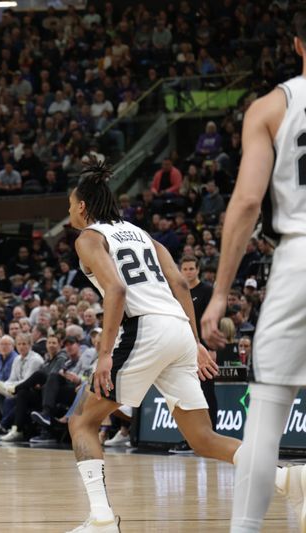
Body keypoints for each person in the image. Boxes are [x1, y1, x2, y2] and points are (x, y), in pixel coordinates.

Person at [64, 160, 299, 533]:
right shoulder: (145, 237)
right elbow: (181, 285)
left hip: (144, 329)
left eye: (70, 205)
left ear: (81, 207)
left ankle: (102, 519)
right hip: (176, 329)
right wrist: (195, 342)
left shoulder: (89, 238)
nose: (69, 212)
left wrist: (106, 353)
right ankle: (287, 479)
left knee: (81, 420)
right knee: (202, 438)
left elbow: (117, 290)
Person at [201, 12, 306, 531]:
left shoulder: (270, 107)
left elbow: (245, 203)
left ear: (296, 44)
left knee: (265, 415)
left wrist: (220, 293)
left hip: (297, 259)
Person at [169, 255, 217, 454]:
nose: (188, 272)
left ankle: (211, 437)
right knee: (186, 394)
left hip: (203, 347)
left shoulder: (206, 290)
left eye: (191, 268)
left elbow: (213, 319)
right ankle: (190, 439)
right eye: (185, 269)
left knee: (207, 391)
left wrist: (212, 347)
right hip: (183, 348)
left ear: (198, 270)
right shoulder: (177, 291)